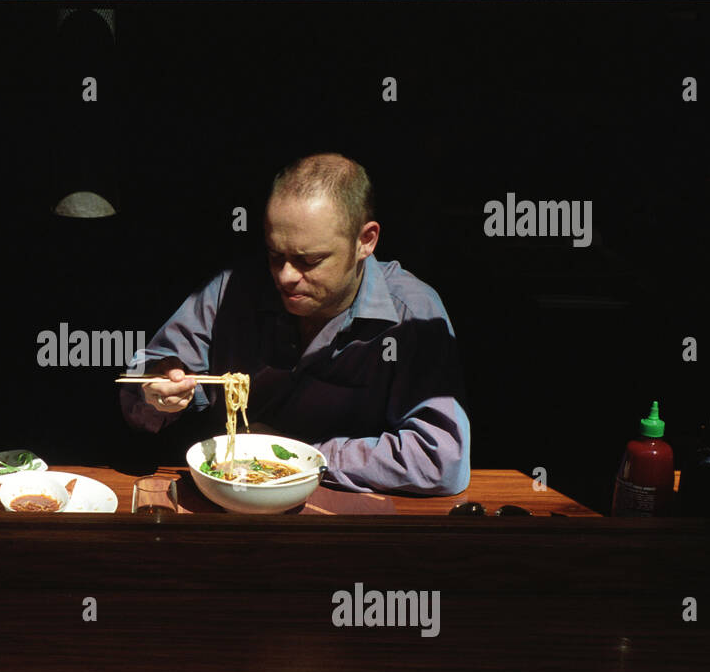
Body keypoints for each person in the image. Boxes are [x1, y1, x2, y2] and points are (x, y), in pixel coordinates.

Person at [120, 153, 470, 495]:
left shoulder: (411, 314)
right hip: (229, 495)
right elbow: (141, 372)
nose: (286, 276)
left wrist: (294, 455)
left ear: (366, 240)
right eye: (276, 255)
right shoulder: (235, 288)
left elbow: (439, 459)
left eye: (309, 260)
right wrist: (156, 387)